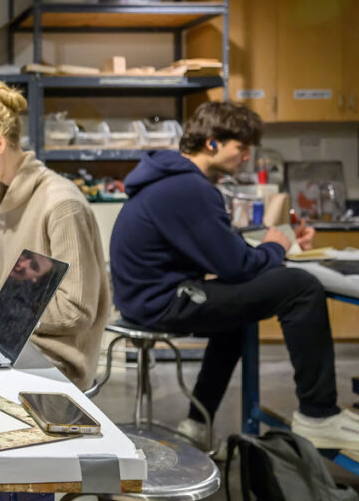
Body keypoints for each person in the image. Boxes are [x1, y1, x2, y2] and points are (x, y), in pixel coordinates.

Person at [109, 100, 359, 450]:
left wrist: (272, 241)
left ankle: (197, 423)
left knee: (236, 316)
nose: (246, 157)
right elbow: (236, 266)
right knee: (300, 286)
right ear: (212, 142)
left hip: (145, 300)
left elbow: (218, 244)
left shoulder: (172, 180)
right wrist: (277, 248)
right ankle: (318, 415)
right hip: (161, 304)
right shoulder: (190, 188)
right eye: (240, 148)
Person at [0, 81, 109, 391]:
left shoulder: (61, 205)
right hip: (12, 340)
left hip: (56, 361)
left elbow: (75, 312)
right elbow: (25, 282)